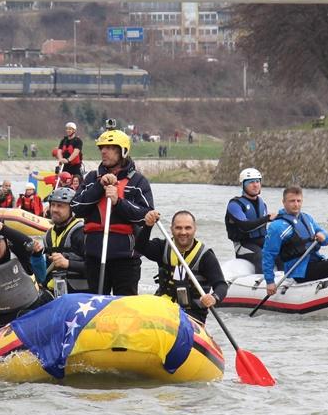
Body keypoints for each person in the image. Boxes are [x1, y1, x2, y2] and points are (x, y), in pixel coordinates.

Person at [70, 122, 154, 296]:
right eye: (102, 148)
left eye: (109, 147)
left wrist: (118, 201)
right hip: (94, 255)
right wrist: (99, 187)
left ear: (122, 151)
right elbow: (76, 208)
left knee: (125, 308)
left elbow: (145, 216)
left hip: (125, 258)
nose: (104, 151)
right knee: (96, 305)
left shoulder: (138, 182)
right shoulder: (92, 178)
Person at [261, 185, 328, 293]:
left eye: (299, 201)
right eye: (292, 201)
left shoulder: (306, 218)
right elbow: (268, 254)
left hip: (315, 262)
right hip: (299, 271)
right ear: (284, 202)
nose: (296, 204)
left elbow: (327, 240)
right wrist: (270, 281)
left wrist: (322, 235)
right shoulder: (277, 227)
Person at [137, 210, 227, 324]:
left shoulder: (206, 256)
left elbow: (221, 285)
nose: (183, 232)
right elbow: (140, 247)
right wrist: (148, 226)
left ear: (195, 229)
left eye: (187, 228)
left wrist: (214, 298)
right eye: (178, 228)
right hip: (162, 308)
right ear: (171, 229)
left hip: (192, 315)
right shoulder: (162, 247)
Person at [224, 168, 274, 273]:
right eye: (251, 182)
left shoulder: (262, 204)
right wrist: (267, 218)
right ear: (243, 185)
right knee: (261, 256)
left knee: (281, 250)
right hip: (243, 245)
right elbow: (244, 226)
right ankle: (262, 285)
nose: (255, 185)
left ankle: (285, 281)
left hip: (261, 241)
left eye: (257, 181)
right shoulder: (234, 205)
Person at [42, 187, 88, 295]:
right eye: (52, 205)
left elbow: (95, 269)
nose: (54, 209)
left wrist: (68, 263)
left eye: (60, 206)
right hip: (55, 292)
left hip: (80, 295)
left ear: (72, 209)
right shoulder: (48, 236)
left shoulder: (81, 233)